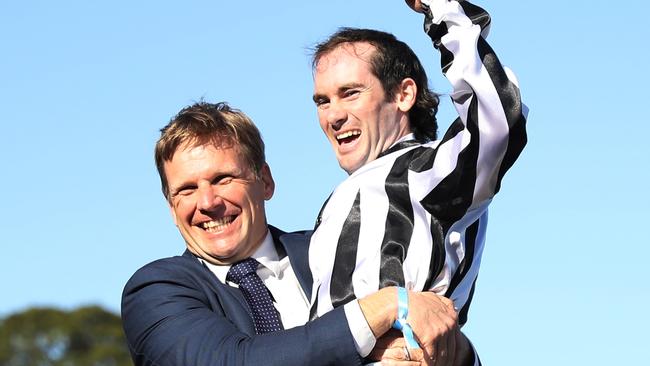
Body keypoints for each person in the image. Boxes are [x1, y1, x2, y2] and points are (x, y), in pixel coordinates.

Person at [121, 101, 472, 366]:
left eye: (223, 179)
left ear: (266, 181)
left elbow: (429, 327)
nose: (208, 202)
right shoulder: (155, 293)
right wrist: (381, 308)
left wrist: (451, 353)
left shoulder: (335, 248)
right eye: (186, 190)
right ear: (171, 207)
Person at [308, 0, 527, 362]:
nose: (333, 115)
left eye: (350, 93)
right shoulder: (336, 206)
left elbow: (498, 120)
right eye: (322, 101)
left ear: (404, 94)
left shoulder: (424, 171)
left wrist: (442, 9)